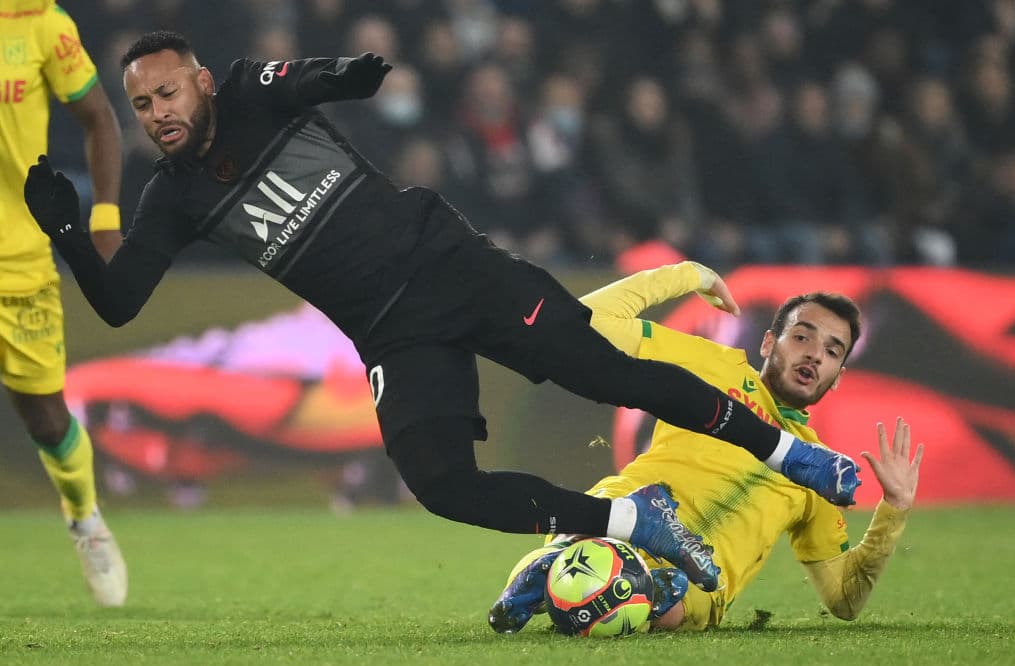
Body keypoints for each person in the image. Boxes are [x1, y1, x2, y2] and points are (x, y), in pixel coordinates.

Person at [23, 31, 861, 594]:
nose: (159, 113)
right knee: (444, 486)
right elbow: (120, 302)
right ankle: (636, 518)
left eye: (167, 92)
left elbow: (309, 79)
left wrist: (349, 76)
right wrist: (67, 226)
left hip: (452, 266)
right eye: (142, 105)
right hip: (393, 331)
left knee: (613, 375)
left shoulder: (248, 93)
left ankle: (792, 454)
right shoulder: (170, 199)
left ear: (199, 82)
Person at [488, 261, 923, 633]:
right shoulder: (712, 364)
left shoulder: (817, 470)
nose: (814, 356)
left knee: (664, 597)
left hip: (692, 585)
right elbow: (588, 319)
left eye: (832, 350)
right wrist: (688, 274)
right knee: (605, 551)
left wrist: (894, 508)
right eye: (802, 337)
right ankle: (575, 563)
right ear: (769, 343)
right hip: (626, 512)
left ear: (839, 374)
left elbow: (844, 599)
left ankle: (564, 573)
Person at [0, 1, 126, 606]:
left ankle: (85, 516)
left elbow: (100, 119)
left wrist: (104, 221)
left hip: (18, 260)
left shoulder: (38, 21)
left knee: (47, 421)